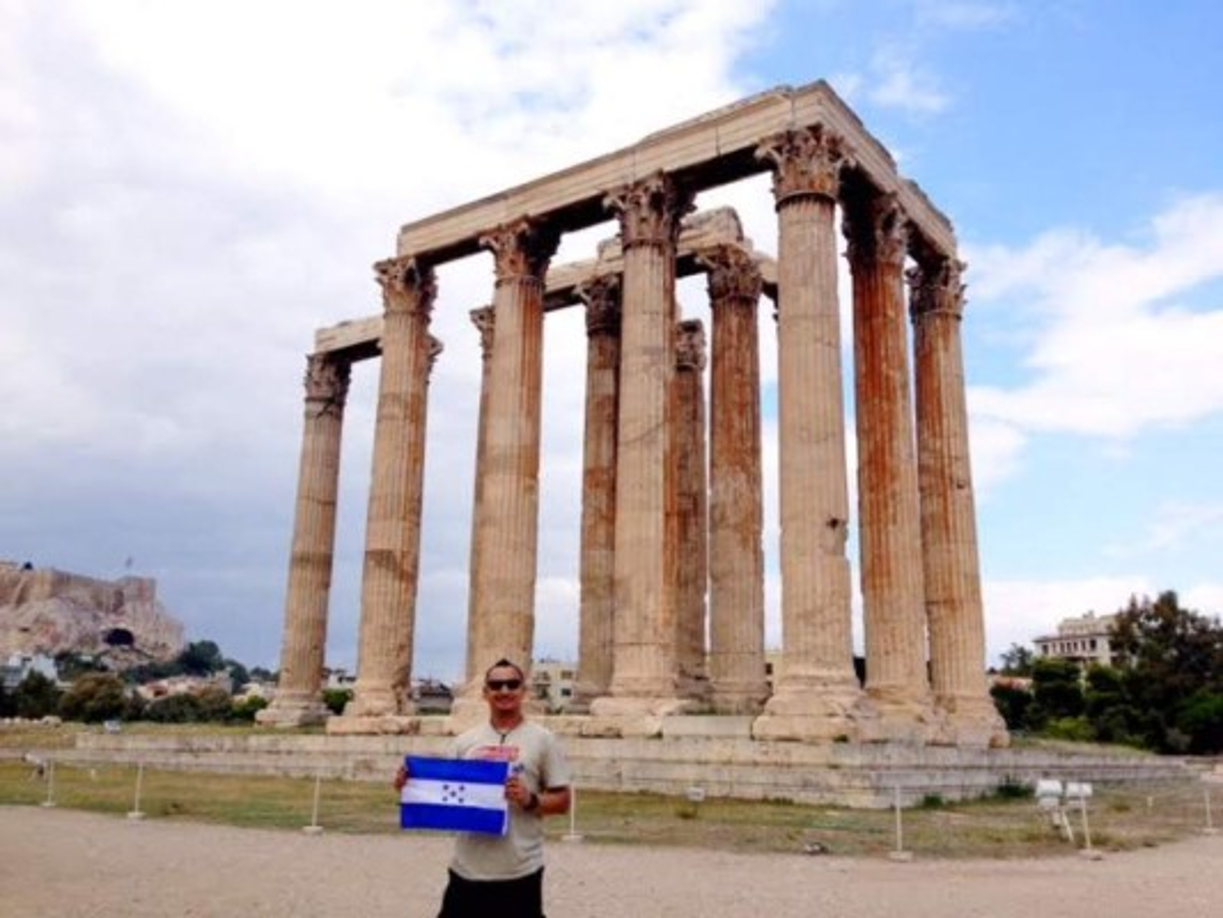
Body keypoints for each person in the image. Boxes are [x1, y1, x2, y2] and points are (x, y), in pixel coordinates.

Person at [395, 658, 571, 918]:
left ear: (524, 691)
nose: (504, 691)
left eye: (512, 684)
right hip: (466, 870)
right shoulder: (465, 742)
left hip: (519, 871)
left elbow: (563, 801)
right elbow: (443, 795)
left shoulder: (543, 741)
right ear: (485, 692)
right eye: (496, 685)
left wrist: (529, 799)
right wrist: (410, 786)